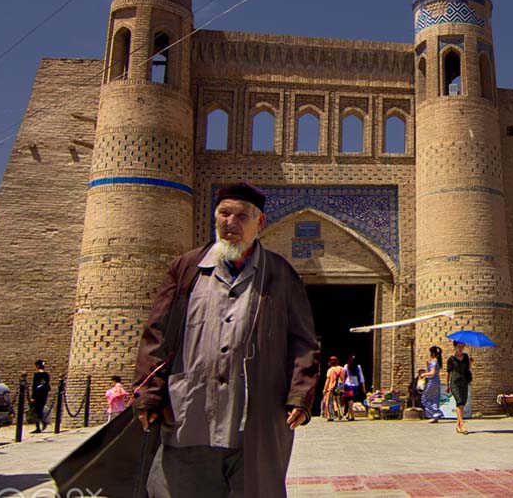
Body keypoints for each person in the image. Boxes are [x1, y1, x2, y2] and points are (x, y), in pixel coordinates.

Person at [134, 181, 320, 497]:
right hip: (189, 414)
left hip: (257, 421)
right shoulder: (187, 268)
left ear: (260, 222)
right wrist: (148, 394)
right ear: (214, 216)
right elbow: (157, 334)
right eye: (224, 214)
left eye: (241, 216)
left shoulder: (280, 274)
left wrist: (300, 395)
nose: (230, 223)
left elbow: (302, 341)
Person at [446, 341, 472, 434]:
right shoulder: (451, 359)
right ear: (455, 347)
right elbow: (448, 373)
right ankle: (462, 424)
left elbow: (468, 369)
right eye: (459, 347)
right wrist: (447, 384)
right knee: (459, 401)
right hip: (455, 383)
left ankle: (457, 425)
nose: (460, 349)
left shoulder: (465, 357)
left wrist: (471, 362)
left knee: (462, 403)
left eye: (462, 347)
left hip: (464, 382)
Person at [417, 346, 443, 423]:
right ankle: (435, 417)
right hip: (437, 382)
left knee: (424, 399)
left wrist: (424, 374)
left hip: (432, 382)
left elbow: (432, 373)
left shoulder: (434, 362)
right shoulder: (436, 362)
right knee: (434, 399)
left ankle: (436, 413)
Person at [320, 356, 346, 421]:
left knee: (330, 402)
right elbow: (343, 379)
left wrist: (324, 389)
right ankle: (340, 413)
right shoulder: (341, 369)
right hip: (339, 387)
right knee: (338, 400)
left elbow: (328, 380)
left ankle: (331, 416)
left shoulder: (330, 370)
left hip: (331, 387)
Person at [342, 354, 366, 421]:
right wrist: (364, 387)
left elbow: (343, 376)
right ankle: (351, 415)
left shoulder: (346, 366)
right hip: (355, 385)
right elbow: (361, 377)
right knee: (351, 400)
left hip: (347, 385)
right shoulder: (358, 367)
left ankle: (349, 414)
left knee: (349, 400)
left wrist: (342, 385)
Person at [30, 360, 51, 433]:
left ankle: (38, 427)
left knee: (35, 411)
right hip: (44, 395)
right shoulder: (46, 374)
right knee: (40, 410)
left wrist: (33, 397)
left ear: (37, 366)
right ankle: (42, 422)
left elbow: (34, 386)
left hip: (37, 395)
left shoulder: (37, 375)